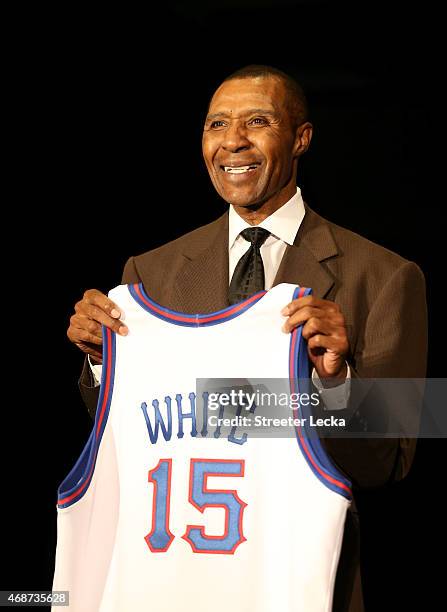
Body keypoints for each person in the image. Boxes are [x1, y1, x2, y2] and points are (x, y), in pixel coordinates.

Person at [66, 65, 427, 612]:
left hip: (295, 586)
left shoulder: (386, 276)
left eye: (257, 121)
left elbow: (392, 463)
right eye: (216, 125)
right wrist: (102, 365)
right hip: (168, 583)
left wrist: (336, 384)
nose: (232, 141)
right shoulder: (150, 272)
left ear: (301, 138)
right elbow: (125, 440)